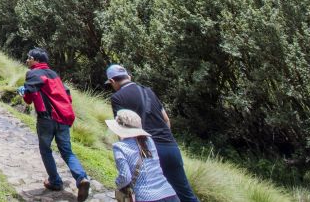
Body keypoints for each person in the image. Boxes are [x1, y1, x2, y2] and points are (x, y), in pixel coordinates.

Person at [106, 64, 199, 202]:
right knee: (185, 193)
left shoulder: (117, 98)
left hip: (148, 150)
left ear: (112, 81)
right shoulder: (148, 91)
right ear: (128, 77)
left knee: (153, 193)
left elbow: (123, 131)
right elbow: (166, 119)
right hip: (170, 146)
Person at [19, 47, 90, 202]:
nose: (27, 60)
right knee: (67, 151)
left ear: (36, 60)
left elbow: (29, 96)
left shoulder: (33, 73)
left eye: (29, 58)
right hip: (63, 118)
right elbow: (67, 94)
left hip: (46, 119)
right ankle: (81, 178)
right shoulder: (54, 75)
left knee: (45, 150)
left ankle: (55, 181)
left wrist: (23, 92)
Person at [106, 109, 179, 202]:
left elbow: (125, 177)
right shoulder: (149, 141)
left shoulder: (119, 147)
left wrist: (117, 184)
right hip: (170, 194)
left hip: (147, 197)